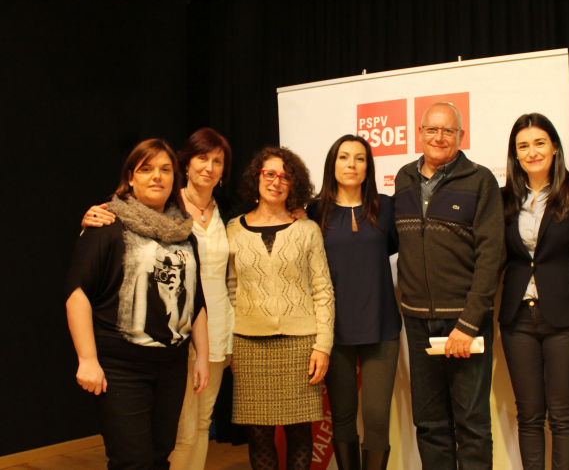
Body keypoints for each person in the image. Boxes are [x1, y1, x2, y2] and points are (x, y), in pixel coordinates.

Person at [82, 128, 239, 470]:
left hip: (205, 337)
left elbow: (211, 286)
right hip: (146, 349)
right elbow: (82, 286)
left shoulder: (221, 214)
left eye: (218, 161)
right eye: (202, 158)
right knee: (165, 440)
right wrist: (88, 219)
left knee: (193, 429)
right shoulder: (141, 211)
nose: (209, 168)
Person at [394, 102, 505, 470]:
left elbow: (491, 256)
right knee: (429, 425)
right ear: (420, 133)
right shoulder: (404, 177)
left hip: (465, 323)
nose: (439, 137)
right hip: (417, 321)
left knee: (472, 424)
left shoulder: (481, 180)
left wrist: (469, 322)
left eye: (448, 131)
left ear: (461, 136)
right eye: (432, 130)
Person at [499, 113, 569, 470]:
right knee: (528, 415)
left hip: (566, 316)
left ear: (555, 147)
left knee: (563, 415)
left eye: (539, 143)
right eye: (523, 146)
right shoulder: (504, 197)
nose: (532, 152)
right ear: (515, 154)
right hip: (517, 318)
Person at [227, 146, 334, 470]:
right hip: (248, 344)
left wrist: (323, 345)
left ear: (294, 184)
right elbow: (230, 289)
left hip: (300, 344)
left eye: (285, 177)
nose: (276, 181)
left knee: (300, 433)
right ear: (257, 177)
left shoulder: (307, 230)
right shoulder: (233, 229)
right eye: (269, 174)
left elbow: (323, 290)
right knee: (259, 436)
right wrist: (230, 345)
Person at [307, 135, 400, 470]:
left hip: (382, 325)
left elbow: (389, 247)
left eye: (359, 158)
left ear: (368, 166)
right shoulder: (314, 211)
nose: (351, 164)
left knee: (376, 417)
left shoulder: (386, 206)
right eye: (344, 157)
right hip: (334, 330)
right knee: (343, 416)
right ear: (333, 164)